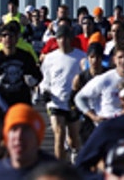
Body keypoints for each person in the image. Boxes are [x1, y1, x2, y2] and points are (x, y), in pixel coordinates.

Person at [38, 22, 85, 162]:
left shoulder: (81, 57)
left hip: (73, 102)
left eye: (65, 38)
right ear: (56, 40)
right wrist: (44, 91)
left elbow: (86, 79)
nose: (62, 41)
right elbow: (44, 79)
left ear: (71, 39)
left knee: (73, 138)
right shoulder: (50, 58)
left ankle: (76, 155)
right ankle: (60, 169)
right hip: (55, 102)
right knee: (59, 134)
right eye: (59, 38)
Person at [0, 103, 56, 178]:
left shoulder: (56, 174)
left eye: (26, 129)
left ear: (37, 136)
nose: (19, 136)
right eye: (14, 129)